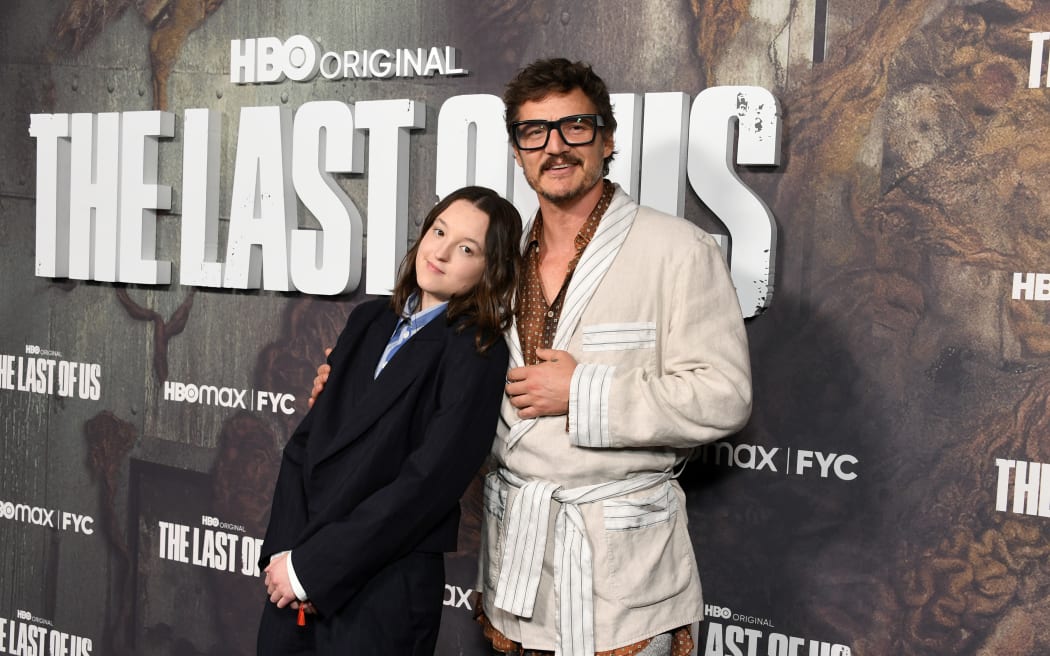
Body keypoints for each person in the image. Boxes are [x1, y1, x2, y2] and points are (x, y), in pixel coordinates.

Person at [310, 59, 752, 656]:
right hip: (515, 565)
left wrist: (585, 391)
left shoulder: (677, 249)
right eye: (534, 132)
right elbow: (441, 375)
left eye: (575, 126)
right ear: (518, 151)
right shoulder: (494, 264)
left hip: (622, 577)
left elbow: (724, 396)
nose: (555, 146)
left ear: (607, 137)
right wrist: (359, 387)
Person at [257, 185, 522, 656]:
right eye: (438, 231)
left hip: (382, 590)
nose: (439, 251)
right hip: (296, 576)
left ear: (490, 270)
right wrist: (285, 561)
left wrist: (316, 570)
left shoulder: (477, 350)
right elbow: (305, 447)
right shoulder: (368, 320)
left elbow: (427, 484)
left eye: (466, 248)